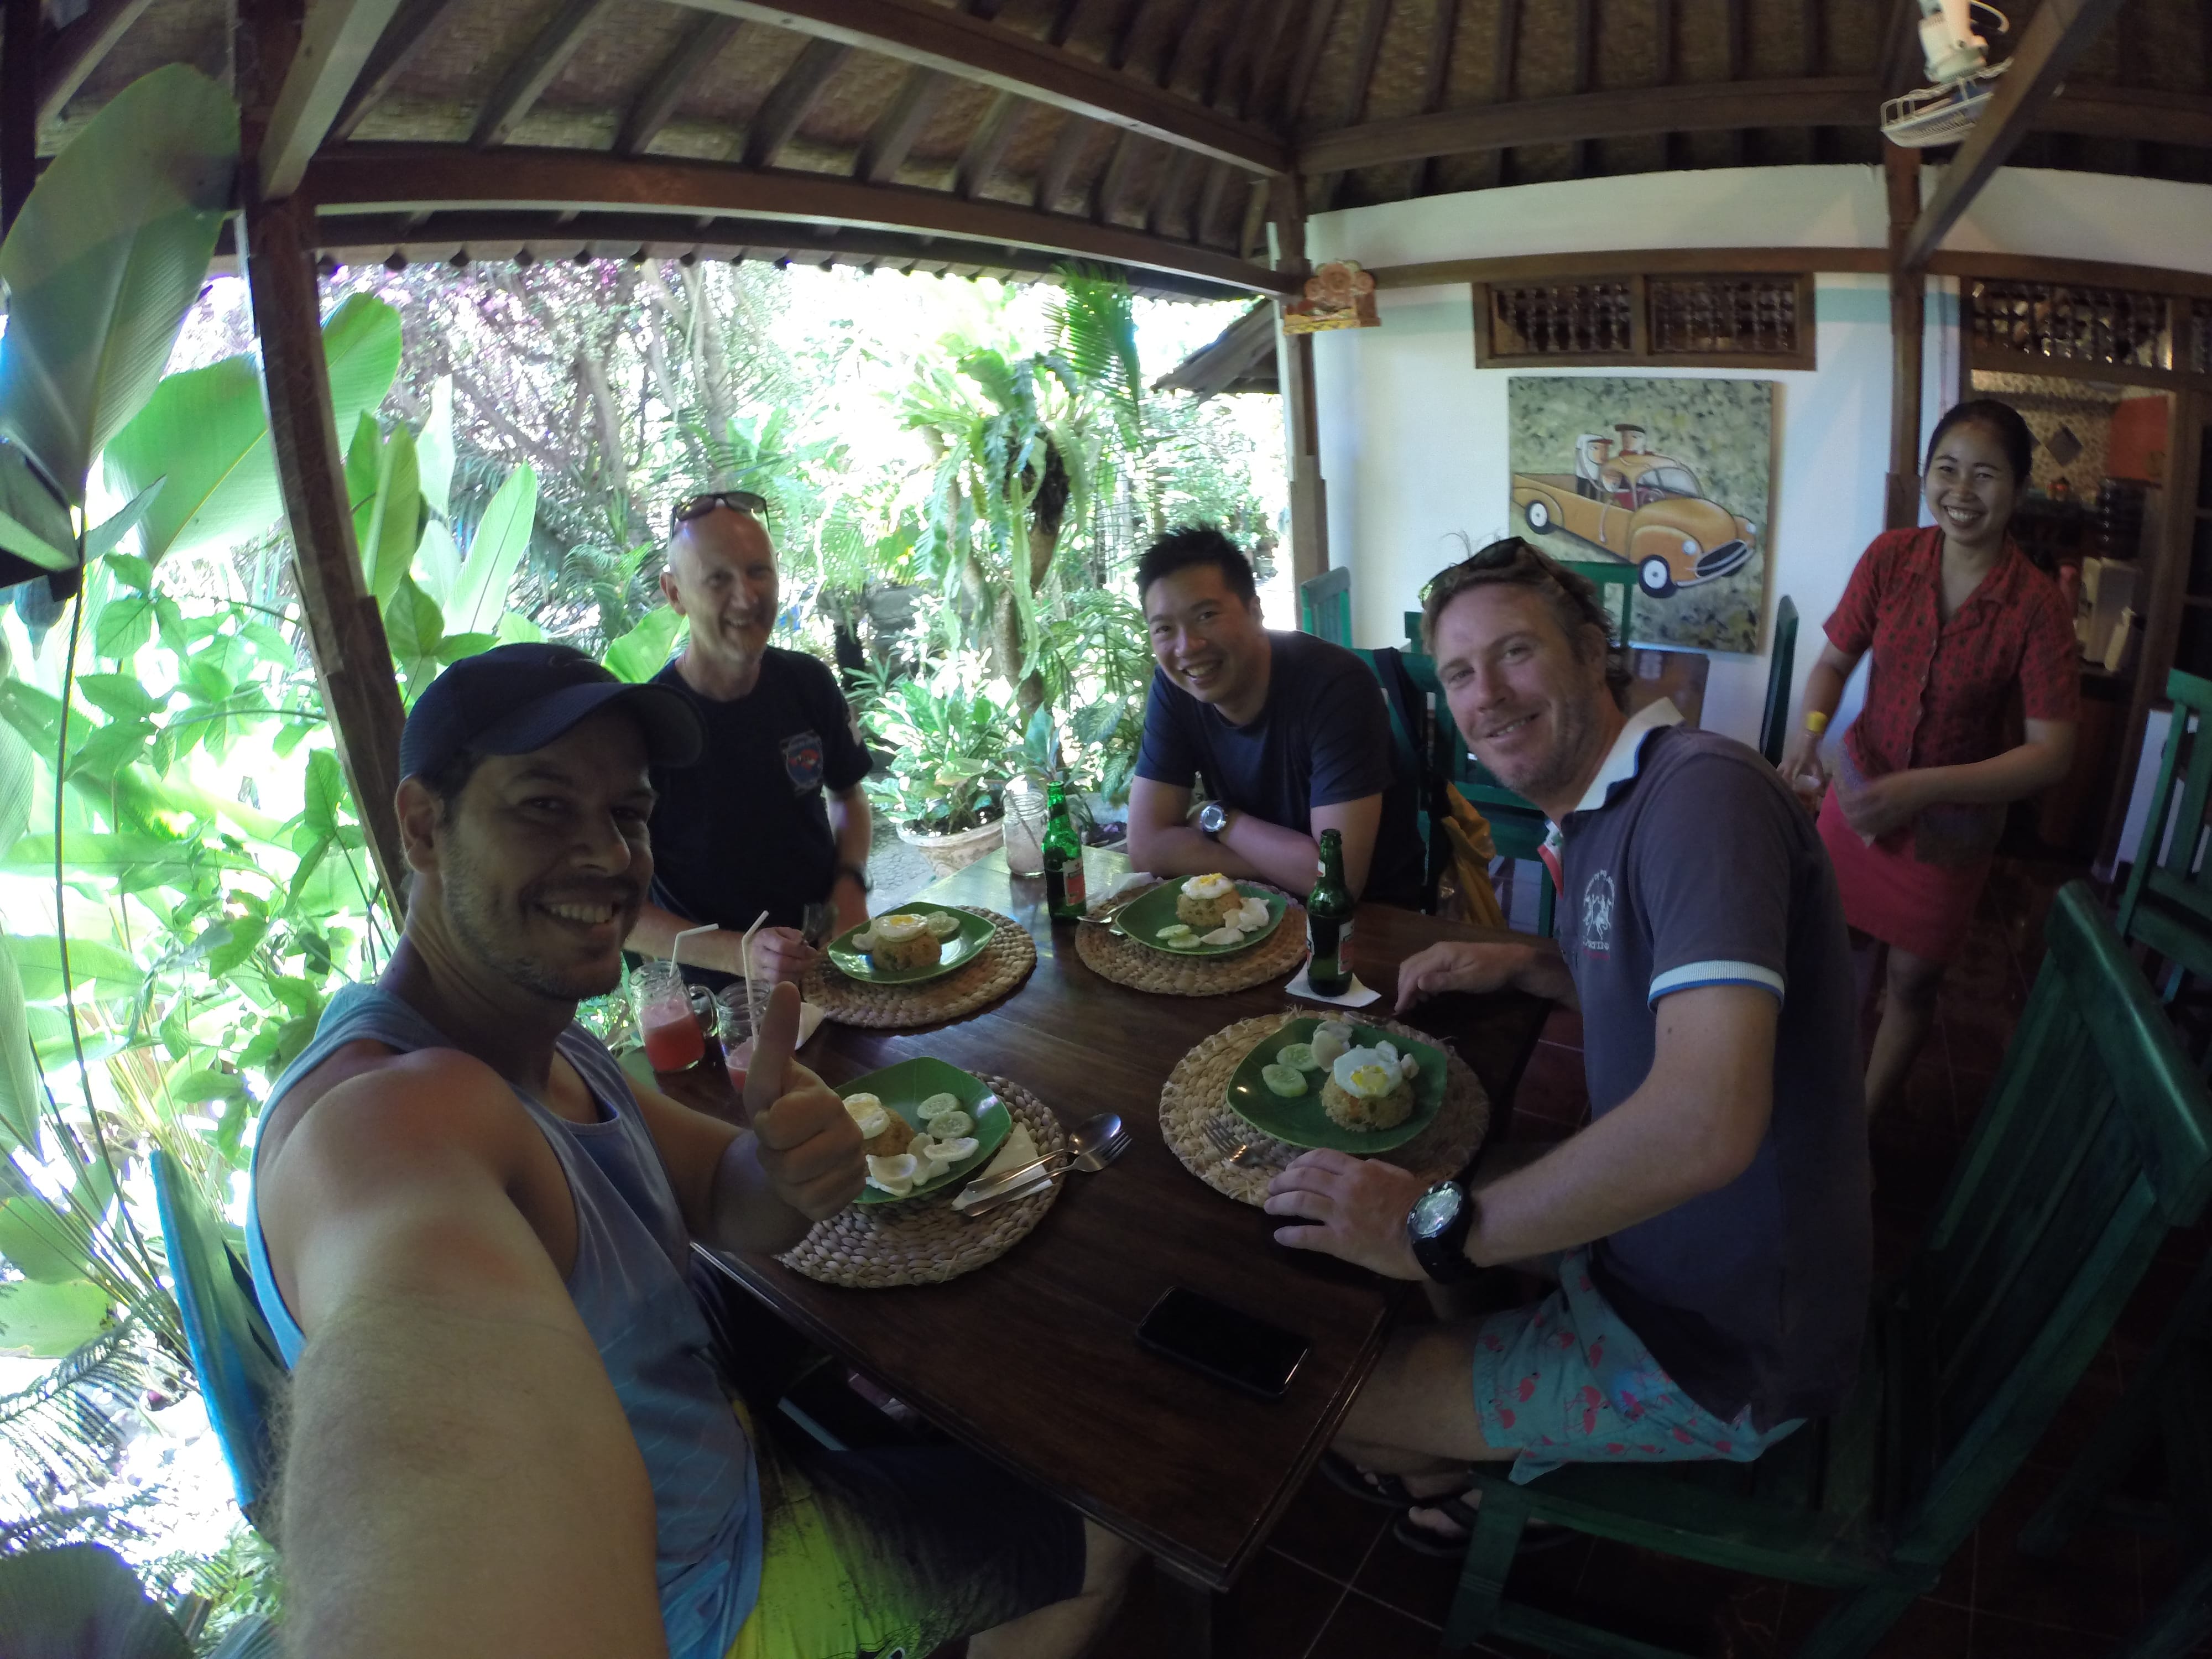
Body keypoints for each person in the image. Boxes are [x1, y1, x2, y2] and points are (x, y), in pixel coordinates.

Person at [247, 643, 1133, 1659]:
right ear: (422, 825)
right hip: (713, 1600)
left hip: (733, 1462)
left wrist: (788, 1168)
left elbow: (720, 1189)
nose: (608, 853)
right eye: (545, 805)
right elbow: (413, 1374)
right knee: (1117, 1522)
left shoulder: (536, 1035)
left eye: (627, 814)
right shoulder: (390, 1118)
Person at [1262, 541, 1870, 1553]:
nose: (1487, 696)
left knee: (1323, 1398)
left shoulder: (1701, 799)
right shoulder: (1613, 809)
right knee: (1431, 1180)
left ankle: (1493, 1483)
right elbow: (1665, 989)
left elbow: (1706, 1122)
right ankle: (1474, 1430)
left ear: (1594, 652)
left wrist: (1433, 1234)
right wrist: (1536, 967)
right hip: (1662, 1251)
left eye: (1515, 653)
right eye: (1460, 673)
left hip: (1724, 1345)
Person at [1781, 399, 2078, 1117]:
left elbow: (2052, 754)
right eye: (1947, 469)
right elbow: (1833, 663)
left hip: (1951, 833)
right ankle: (1804, 1091)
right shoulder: (1890, 558)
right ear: (1925, 476)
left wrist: (1923, 789)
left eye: (1985, 474)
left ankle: (1861, 1125)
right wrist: (1810, 732)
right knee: (1824, 956)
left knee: (1912, 984)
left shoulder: (2036, 607)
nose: (1961, 491)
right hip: (1858, 796)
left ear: (2019, 488)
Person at [627, 492, 874, 985]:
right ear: (674, 594)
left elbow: (847, 796)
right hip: (719, 1000)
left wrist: (849, 884)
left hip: (826, 964)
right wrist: (741, 955)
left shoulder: (807, 682)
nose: (746, 597)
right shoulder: (643, 727)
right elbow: (621, 911)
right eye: (718, 579)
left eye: (759, 571)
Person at [1125, 525, 1425, 906]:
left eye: (1206, 615)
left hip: (1367, 918)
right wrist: (1297, 869)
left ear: (1255, 612)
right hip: (1248, 908)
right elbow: (1147, 848)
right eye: (1165, 628)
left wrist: (1220, 820)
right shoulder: (1176, 687)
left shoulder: (1336, 684)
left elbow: (1339, 880)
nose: (1187, 647)